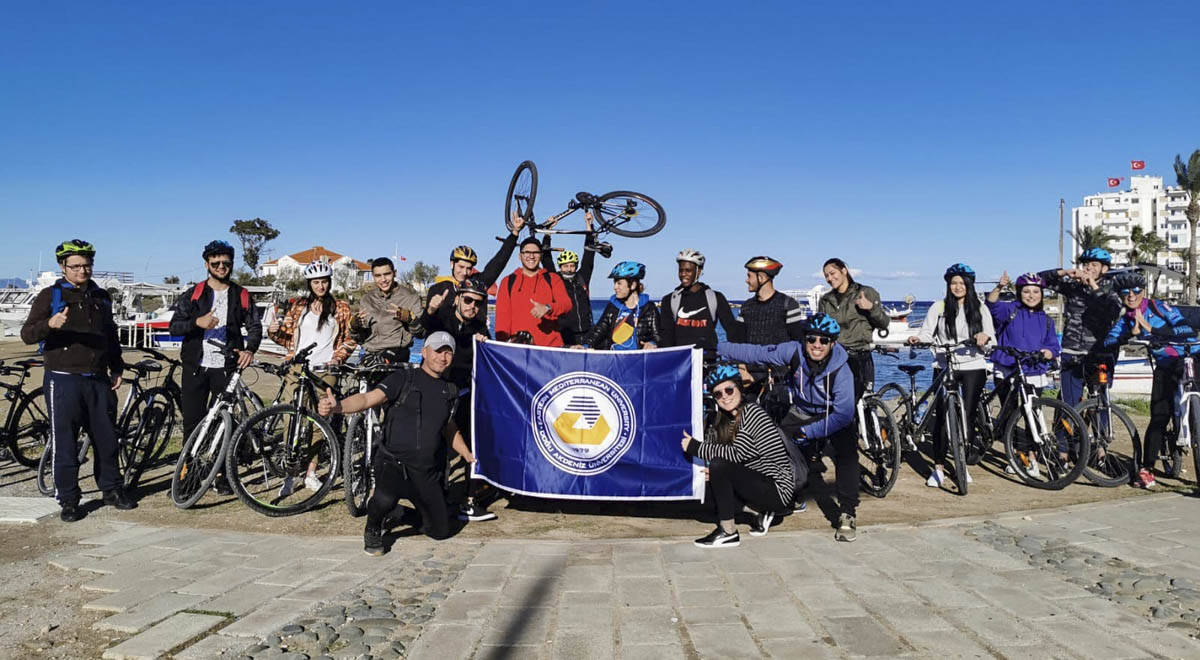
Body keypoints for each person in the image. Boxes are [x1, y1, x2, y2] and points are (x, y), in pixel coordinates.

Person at [317, 332, 475, 554]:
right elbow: (367, 399)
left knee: (440, 531)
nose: (443, 357)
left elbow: (449, 427)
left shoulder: (449, 390)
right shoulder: (403, 378)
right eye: (438, 351)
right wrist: (337, 407)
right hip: (394, 464)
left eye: (448, 352)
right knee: (384, 498)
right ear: (425, 352)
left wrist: (466, 454)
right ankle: (373, 525)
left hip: (426, 471)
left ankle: (398, 512)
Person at [718, 314, 859, 542]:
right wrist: (718, 347)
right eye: (812, 339)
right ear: (804, 339)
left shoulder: (842, 370)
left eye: (824, 341)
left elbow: (843, 414)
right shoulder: (794, 351)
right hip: (802, 411)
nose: (816, 345)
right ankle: (791, 495)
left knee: (847, 455)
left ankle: (847, 513)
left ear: (833, 343)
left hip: (833, 415)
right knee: (774, 444)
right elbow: (758, 354)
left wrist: (809, 433)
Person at [21, 239, 133, 522]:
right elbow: (27, 334)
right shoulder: (50, 296)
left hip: (98, 378)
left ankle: (111, 489)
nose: (82, 270)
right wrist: (50, 325)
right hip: (63, 379)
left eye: (87, 265)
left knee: (107, 440)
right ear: (63, 267)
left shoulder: (101, 296)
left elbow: (110, 335)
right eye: (76, 266)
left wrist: (116, 366)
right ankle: (69, 499)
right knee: (66, 443)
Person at [168, 240, 262, 495]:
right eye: (216, 263)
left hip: (226, 367)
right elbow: (174, 326)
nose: (221, 267)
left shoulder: (241, 294)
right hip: (196, 367)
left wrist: (249, 349)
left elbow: (255, 326)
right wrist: (197, 322)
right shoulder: (194, 294)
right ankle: (188, 476)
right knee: (192, 423)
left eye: (226, 263)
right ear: (206, 264)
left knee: (225, 423)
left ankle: (221, 475)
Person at [1101, 271, 1200, 489]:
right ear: (1119, 295)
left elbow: (1184, 329)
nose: (1131, 296)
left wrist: (1149, 328)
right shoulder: (1126, 320)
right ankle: (1146, 469)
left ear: (1143, 292)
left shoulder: (1158, 307)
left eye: (1135, 291)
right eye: (1125, 292)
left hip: (1192, 355)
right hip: (1165, 366)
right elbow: (1109, 341)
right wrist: (1131, 334)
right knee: (1159, 416)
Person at [681, 365, 795, 548]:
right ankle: (757, 511)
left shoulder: (752, 412)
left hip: (776, 489)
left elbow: (736, 454)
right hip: (758, 481)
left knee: (719, 466)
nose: (724, 397)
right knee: (708, 498)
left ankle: (728, 532)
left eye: (728, 390)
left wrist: (695, 447)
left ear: (739, 388)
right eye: (718, 394)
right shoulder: (728, 420)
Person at [267, 260, 356, 494]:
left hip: (325, 372)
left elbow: (350, 339)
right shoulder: (299, 307)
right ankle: (291, 474)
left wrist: (338, 359)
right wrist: (273, 332)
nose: (321, 286)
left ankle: (311, 472)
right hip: (297, 369)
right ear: (310, 283)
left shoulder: (342, 308)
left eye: (324, 281)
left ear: (330, 282)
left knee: (320, 422)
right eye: (316, 282)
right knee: (291, 422)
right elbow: (287, 339)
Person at [907, 263, 995, 487]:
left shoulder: (980, 308)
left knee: (968, 415)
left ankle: (961, 464)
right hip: (945, 364)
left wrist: (984, 338)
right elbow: (926, 331)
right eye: (953, 283)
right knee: (942, 417)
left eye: (962, 283)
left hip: (973, 364)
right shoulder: (939, 307)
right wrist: (920, 339)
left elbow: (991, 339)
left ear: (969, 285)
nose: (958, 287)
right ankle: (938, 467)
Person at [420, 277, 496, 522]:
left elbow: (489, 358)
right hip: (436, 392)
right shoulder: (443, 316)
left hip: (463, 394)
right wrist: (431, 308)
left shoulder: (480, 328)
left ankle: (469, 500)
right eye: (468, 300)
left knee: (472, 444)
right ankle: (431, 498)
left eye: (478, 303)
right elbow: (426, 324)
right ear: (458, 298)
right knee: (433, 447)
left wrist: (486, 343)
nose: (472, 306)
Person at [986, 271, 1062, 469]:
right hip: (1007, 369)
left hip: (1034, 371)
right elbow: (991, 306)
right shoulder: (1010, 309)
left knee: (1033, 415)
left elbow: (1054, 345)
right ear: (1019, 293)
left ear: (1041, 294)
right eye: (1026, 291)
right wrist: (999, 287)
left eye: (1035, 292)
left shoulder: (1046, 319)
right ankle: (1016, 454)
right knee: (1009, 413)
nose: (1031, 295)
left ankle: (1032, 456)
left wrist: (1049, 352)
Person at [1037, 248, 1122, 414]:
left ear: (1104, 269)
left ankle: (1101, 437)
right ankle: (1066, 439)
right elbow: (1037, 280)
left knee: (1100, 401)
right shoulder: (1073, 286)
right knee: (1069, 403)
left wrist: (1093, 285)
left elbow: (1112, 311)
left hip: (1099, 353)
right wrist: (1065, 272)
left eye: (1094, 265)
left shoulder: (1113, 288)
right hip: (1072, 350)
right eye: (1086, 264)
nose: (1089, 268)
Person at [817, 258, 890, 400]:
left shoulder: (865, 292)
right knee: (839, 402)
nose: (829, 278)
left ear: (844, 270)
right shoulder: (825, 300)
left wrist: (871, 308)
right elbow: (821, 330)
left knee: (865, 402)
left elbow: (884, 323)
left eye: (832, 273)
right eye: (826, 276)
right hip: (835, 358)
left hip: (860, 355)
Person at [425, 213, 527, 308]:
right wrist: (431, 310)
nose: (464, 272)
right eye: (461, 267)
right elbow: (427, 321)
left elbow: (499, 261)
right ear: (452, 264)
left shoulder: (479, 282)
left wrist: (515, 233)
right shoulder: (437, 289)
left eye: (469, 268)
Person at [659, 249, 742, 361]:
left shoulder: (715, 298)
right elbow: (666, 335)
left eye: (688, 271)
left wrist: (739, 359)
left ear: (698, 271)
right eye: (681, 270)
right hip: (680, 362)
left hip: (707, 361)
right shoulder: (669, 300)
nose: (683, 274)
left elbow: (732, 331)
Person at [493, 236, 573, 346]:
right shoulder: (508, 281)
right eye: (527, 252)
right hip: (519, 349)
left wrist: (548, 308)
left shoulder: (553, 278)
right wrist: (502, 347)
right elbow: (502, 321)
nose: (531, 256)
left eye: (535, 252)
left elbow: (567, 304)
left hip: (549, 348)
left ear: (541, 256)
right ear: (520, 256)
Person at [350, 257, 425, 363]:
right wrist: (354, 328)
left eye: (387, 274)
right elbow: (360, 338)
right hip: (369, 355)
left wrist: (411, 319)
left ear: (395, 273)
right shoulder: (367, 299)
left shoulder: (411, 297)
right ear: (373, 277)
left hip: (396, 355)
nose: (383, 279)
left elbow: (421, 333)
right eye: (378, 276)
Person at [540, 211, 599, 346]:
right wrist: (548, 232)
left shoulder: (582, 277)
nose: (569, 269)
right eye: (565, 266)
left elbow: (589, 254)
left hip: (586, 330)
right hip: (565, 333)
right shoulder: (555, 279)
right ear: (560, 267)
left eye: (572, 266)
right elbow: (546, 257)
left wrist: (589, 226)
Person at [578, 261, 660, 350]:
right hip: (614, 358)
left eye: (619, 283)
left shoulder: (649, 308)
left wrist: (652, 343)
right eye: (614, 283)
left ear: (632, 285)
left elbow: (659, 336)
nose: (615, 287)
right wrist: (585, 345)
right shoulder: (613, 307)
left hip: (638, 358)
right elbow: (599, 330)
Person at [738, 256, 805, 345]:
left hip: (779, 359)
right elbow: (738, 341)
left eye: (749, 276)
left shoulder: (788, 305)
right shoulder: (745, 307)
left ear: (760, 278)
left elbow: (796, 342)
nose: (746, 280)